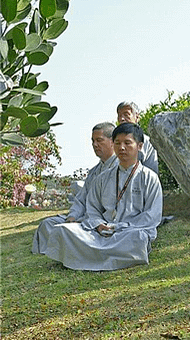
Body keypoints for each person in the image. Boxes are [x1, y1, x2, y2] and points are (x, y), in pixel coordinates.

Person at [38, 123, 163, 270]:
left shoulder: (149, 178)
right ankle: (106, 256)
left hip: (128, 232)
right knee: (62, 230)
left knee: (138, 238)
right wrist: (98, 224)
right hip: (100, 232)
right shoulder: (102, 178)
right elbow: (92, 209)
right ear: (113, 144)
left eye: (127, 143)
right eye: (117, 143)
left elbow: (151, 216)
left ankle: (86, 256)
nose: (122, 148)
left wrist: (118, 227)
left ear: (139, 146)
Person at [32, 122, 119, 254]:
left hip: (100, 221)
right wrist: (72, 217)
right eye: (93, 141)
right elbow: (81, 199)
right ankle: (54, 249)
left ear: (112, 142)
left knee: (69, 231)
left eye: (99, 140)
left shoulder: (120, 169)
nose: (95, 145)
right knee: (48, 224)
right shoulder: (94, 172)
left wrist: (90, 221)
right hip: (83, 218)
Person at [117, 101, 159, 175]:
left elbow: (152, 171)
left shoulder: (147, 142)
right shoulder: (112, 141)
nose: (122, 119)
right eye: (119, 115)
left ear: (136, 117)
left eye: (126, 115)